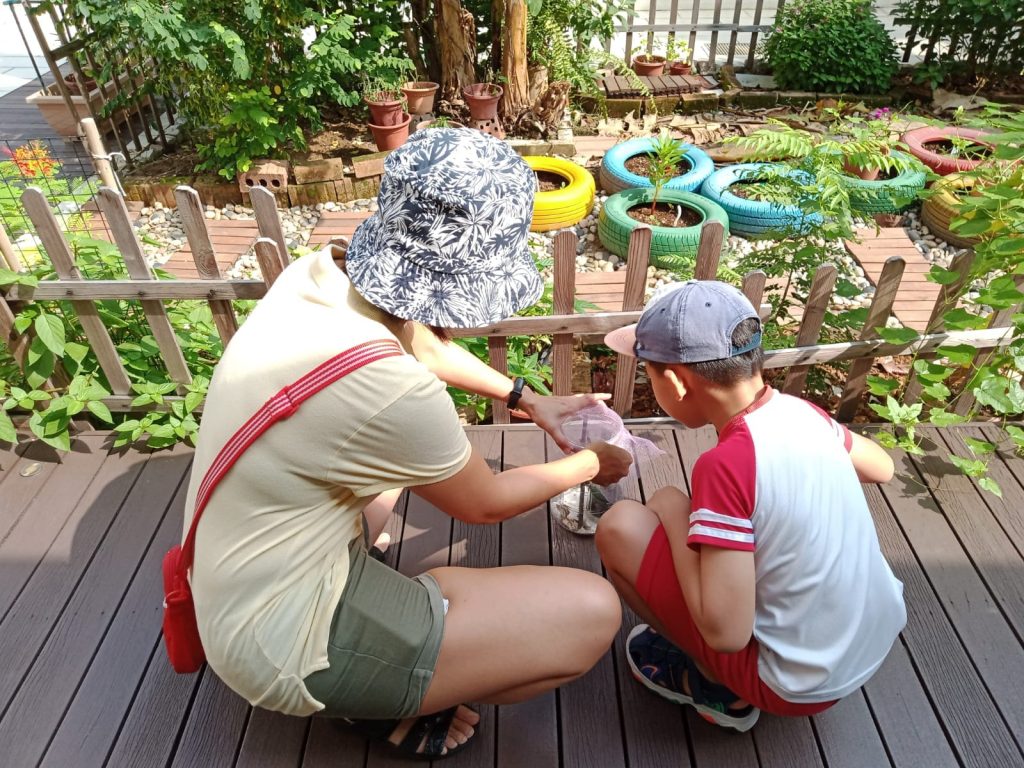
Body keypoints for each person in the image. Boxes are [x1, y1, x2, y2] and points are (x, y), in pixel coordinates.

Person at [181, 129, 631, 759]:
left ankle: (397, 660)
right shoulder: (388, 391)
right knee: (591, 613)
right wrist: (591, 462)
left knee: (392, 468)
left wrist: (530, 401)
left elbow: (413, 337)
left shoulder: (322, 276)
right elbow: (486, 502)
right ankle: (371, 698)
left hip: (233, 576)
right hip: (280, 647)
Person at [595, 280, 906, 732]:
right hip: (868, 643)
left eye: (649, 371)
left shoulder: (726, 465)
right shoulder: (801, 413)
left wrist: (673, 507)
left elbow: (726, 634)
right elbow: (881, 467)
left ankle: (718, 688)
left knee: (620, 526)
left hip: (792, 687)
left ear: (679, 382)